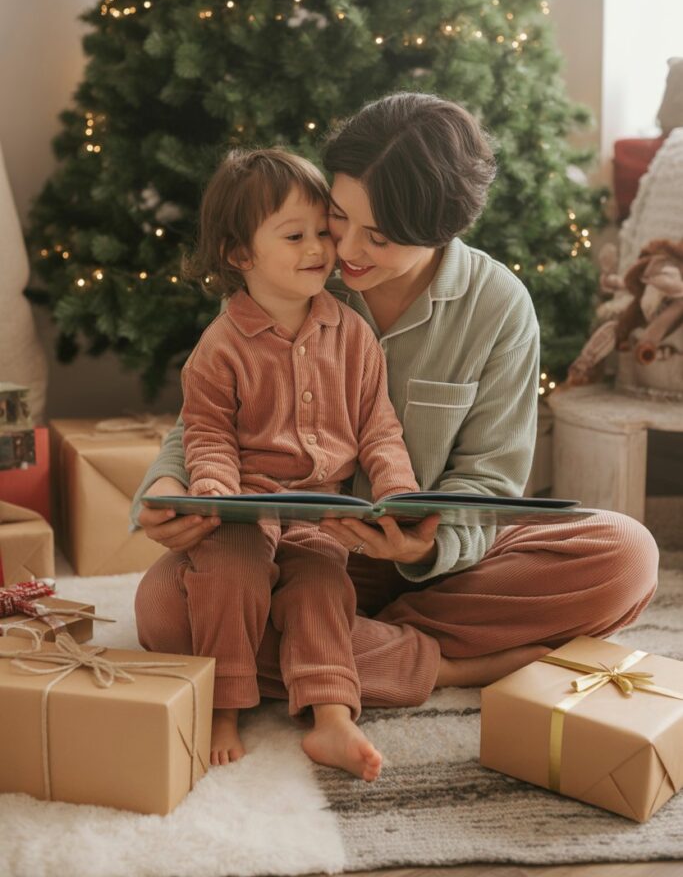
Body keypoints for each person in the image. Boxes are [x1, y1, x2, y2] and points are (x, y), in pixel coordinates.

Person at [133, 92, 659, 771]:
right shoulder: (298, 264)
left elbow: (489, 482)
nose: (343, 250)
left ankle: (326, 646)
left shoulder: (497, 307)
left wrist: (423, 542)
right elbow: (208, 418)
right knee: (161, 614)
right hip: (285, 544)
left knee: (625, 556)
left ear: (440, 229)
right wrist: (169, 485)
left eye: (376, 238)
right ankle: (435, 665)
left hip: (432, 570)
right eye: (338, 217)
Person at [176, 147, 421, 780]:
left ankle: (332, 718)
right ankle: (223, 707)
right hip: (243, 511)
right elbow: (206, 433)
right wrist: (213, 490)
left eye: (322, 231)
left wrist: (398, 489)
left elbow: (379, 429)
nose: (319, 247)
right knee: (228, 576)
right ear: (240, 255)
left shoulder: (354, 334)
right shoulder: (221, 347)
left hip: (320, 516)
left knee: (320, 587)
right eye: (295, 235)